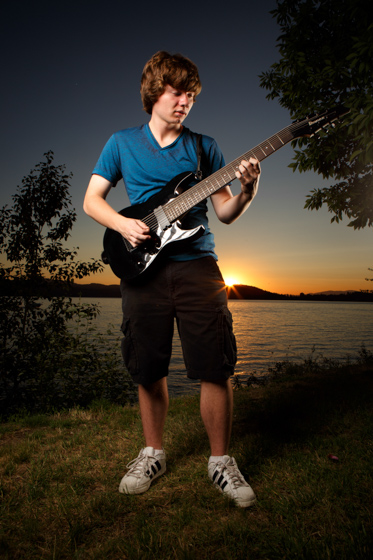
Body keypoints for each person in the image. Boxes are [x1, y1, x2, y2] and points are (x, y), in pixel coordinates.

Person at [83, 51, 260, 508]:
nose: (185, 102)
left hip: (198, 266)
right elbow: (92, 201)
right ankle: (152, 452)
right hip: (142, 265)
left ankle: (220, 461)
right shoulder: (121, 144)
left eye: (191, 96)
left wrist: (247, 190)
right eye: (177, 92)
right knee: (148, 366)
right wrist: (124, 226)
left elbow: (225, 213)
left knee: (215, 365)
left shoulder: (205, 148)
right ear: (154, 93)